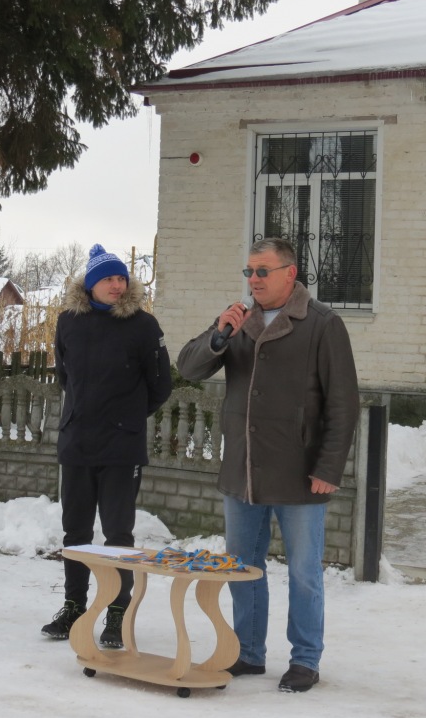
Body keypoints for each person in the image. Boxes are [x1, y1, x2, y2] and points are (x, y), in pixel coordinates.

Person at [176, 238, 359, 693]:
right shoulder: (239, 321)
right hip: (244, 471)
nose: (254, 280)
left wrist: (329, 468)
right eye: (249, 272)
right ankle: (248, 652)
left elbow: (343, 405)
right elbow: (189, 368)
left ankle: (305, 659)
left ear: (290, 274)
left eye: (263, 271)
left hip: (299, 473)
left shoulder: (322, 325)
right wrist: (219, 336)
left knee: (303, 572)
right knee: (242, 567)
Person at [41, 243, 172, 648]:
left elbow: (160, 386)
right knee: (75, 532)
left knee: (118, 535)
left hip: (121, 447)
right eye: (108, 279)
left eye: (121, 278)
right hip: (78, 442)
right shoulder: (68, 322)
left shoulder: (143, 325)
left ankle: (117, 613)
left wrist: (126, 418)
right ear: (91, 285)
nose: (117, 285)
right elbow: (66, 377)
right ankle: (74, 607)